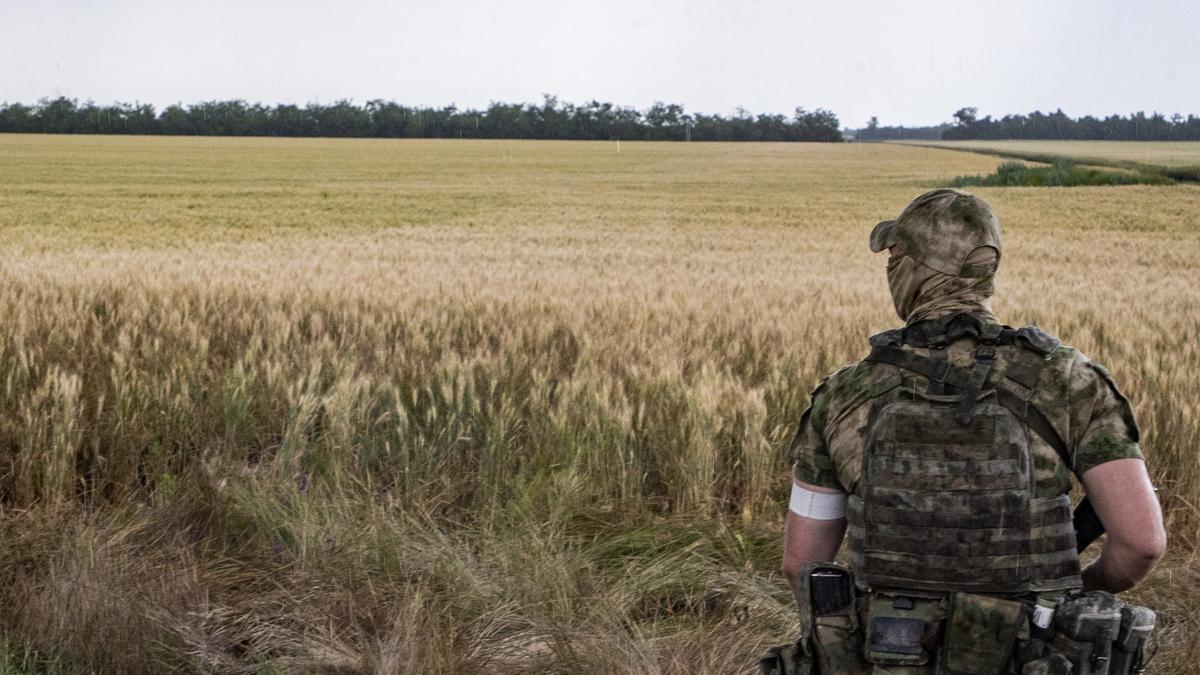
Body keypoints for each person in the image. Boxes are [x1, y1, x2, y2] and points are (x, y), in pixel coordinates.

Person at [770, 188, 1166, 675]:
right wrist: (1067, 596)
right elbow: (1141, 544)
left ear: (913, 268)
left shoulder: (845, 394)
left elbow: (802, 565)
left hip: (888, 658)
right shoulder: (1069, 381)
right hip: (1039, 657)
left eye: (894, 255)